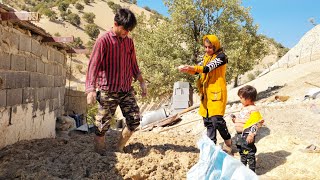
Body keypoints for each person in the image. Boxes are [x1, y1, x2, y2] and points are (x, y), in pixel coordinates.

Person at [85, 8, 147, 154]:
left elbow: (134, 65)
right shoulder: (103, 40)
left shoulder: (129, 42)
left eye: (130, 30)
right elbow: (93, 65)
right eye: (125, 29)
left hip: (126, 89)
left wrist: (142, 82)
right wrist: (91, 90)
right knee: (101, 126)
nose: (127, 32)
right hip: (108, 90)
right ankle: (99, 154)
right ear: (115, 23)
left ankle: (119, 148)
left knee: (134, 120)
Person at [178, 35, 232, 153]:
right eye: (206, 47)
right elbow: (201, 71)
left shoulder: (221, 57)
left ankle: (228, 141)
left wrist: (192, 67)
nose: (207, 50)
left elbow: (207, 68)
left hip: (217, 92)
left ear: (216, 46)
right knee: (208, 122)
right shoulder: (206, 57)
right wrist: (189, 70)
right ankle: (211, 146)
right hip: (206, 94)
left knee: (217, 120)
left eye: (210, 47)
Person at [231, 85, 264, 172]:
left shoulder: (253, 109)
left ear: (248, 98)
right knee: (242, 153)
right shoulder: (244, 108)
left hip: (247, 135)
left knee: (249, 153)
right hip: (240, 135)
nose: (240, 99)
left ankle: (251, 172)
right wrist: (235, 120)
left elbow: (256, 123)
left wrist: (251, 134)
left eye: (241, 97)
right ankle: (243, 170)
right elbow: (244, 121)